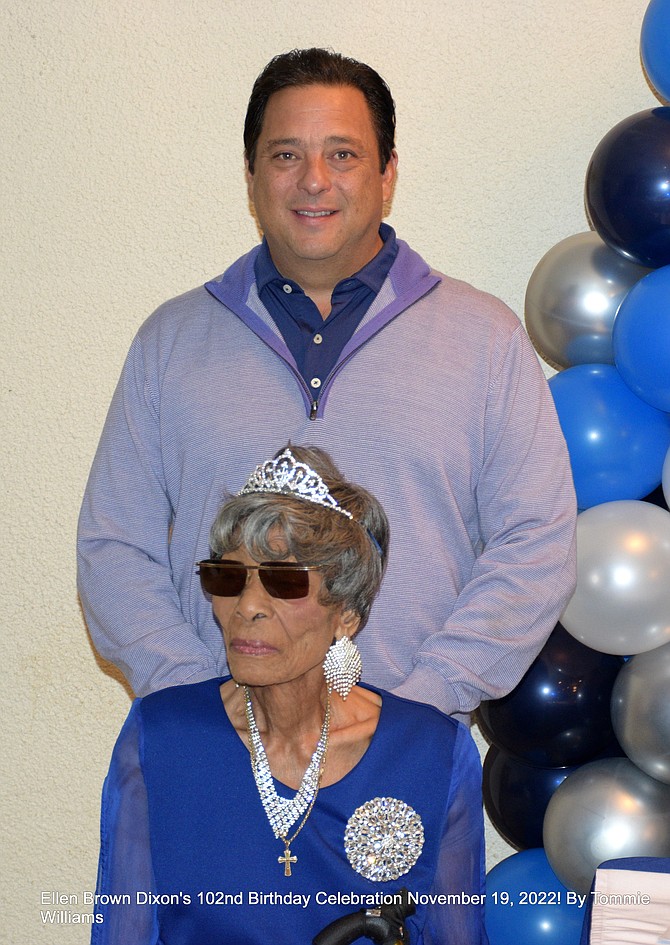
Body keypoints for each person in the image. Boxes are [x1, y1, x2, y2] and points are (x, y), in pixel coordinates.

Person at [77, 47, 576, 721]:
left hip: (410, 757)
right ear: (252, 174)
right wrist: (194, 701)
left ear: (387, 172)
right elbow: (114, 545)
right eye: (286, 155)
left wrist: (425, 704)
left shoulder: (485, 339)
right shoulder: (171, 342)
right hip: (215, 759)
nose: (314, 180)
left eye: (342, 154)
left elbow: (536, 542)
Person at [91, 445, 488, 945]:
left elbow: (458, 937)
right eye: (227, 577)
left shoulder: (431, 752)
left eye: (283, 583)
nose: (247, 606)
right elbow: (122, 934)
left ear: (346, 614)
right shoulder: (161, 737)